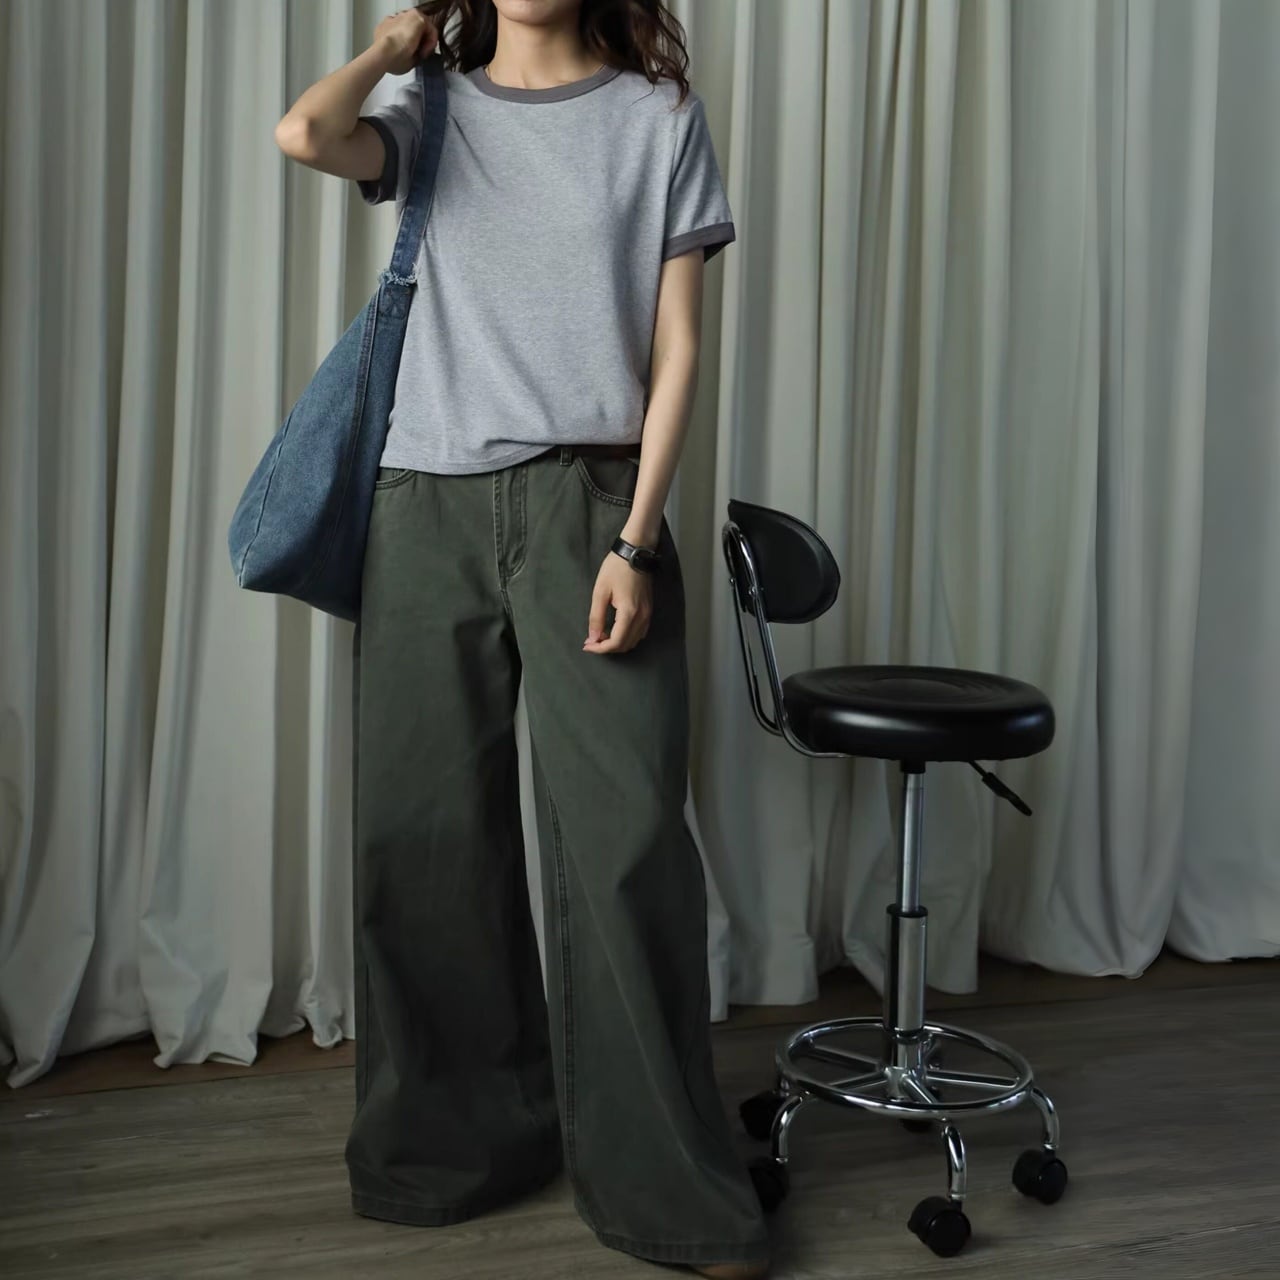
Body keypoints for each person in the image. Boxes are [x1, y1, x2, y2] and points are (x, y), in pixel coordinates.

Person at [274, 3, 770, 1276]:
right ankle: (451, 1148)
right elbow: (304, 133)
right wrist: (393, 48)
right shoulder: (427, 109)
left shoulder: (656, 117)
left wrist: (638, 538)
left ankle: (669, 1186)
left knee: (626, 844)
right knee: (422, 840)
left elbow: (678, 345)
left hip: (593, 507)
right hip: (421, 503)